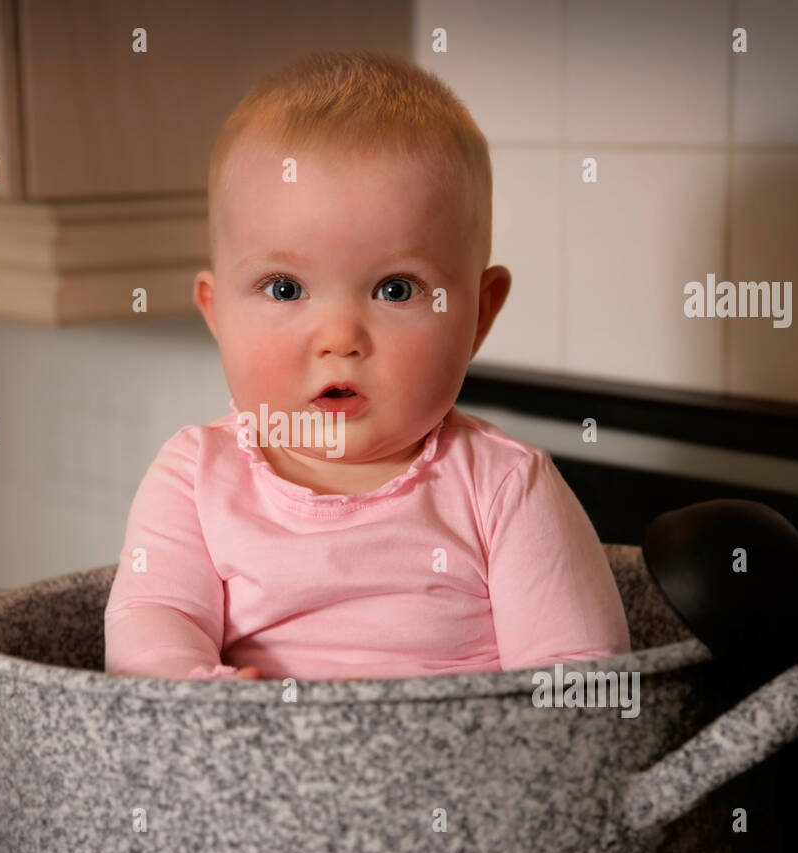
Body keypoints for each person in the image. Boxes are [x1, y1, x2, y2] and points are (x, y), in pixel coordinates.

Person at [104, 51, 629, 681]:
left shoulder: (505, 489)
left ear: (479, 317)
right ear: (217, 315)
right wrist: (195, 689)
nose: (340, 339)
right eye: (284, 289)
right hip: (243, 773)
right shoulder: (194, 480)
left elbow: (584, 683)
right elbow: (150, 623)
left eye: (396, 290)